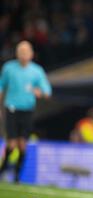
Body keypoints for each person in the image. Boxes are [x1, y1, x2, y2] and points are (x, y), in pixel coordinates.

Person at [0, 41, 52, 183]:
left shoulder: (37, 71)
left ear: (31, 54)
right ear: (16, 53)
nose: (23, 54)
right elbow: (1, 86)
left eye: (25, 51)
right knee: (11, 144)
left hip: (27, 111)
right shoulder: (9, 68)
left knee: (23, 144)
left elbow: (47, 91)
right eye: (20, 51)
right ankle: (3, 169)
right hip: (11, 108)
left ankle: (17, 176)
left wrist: (40, 92)